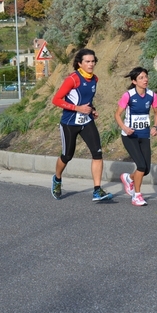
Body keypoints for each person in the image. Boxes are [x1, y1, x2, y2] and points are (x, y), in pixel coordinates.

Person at [50, 48, 113, 202]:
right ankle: (57, 179)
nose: (91, 64)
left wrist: (92, 110)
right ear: (80, 63)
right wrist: (77, 108)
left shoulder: (94, 79)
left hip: (86, 121)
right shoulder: (73, 79)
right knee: (67, 156)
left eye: (93, 61)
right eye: (87, 61)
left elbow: (87, 100)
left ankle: (97, 190)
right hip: (70, 123)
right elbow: (56, 100)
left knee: (97, 153)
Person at [114, 67, 157, 206]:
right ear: (134, 81)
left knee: (145, 169)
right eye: (141, 78)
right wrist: (124, 127)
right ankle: (137, 195)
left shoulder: (152, 95)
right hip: (130, 136)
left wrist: (155, 126)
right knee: (140, 165)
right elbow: (117, 114)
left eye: (146, 77)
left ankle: (129, 178)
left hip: (144, 135)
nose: (145, 80)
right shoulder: (128, 95)